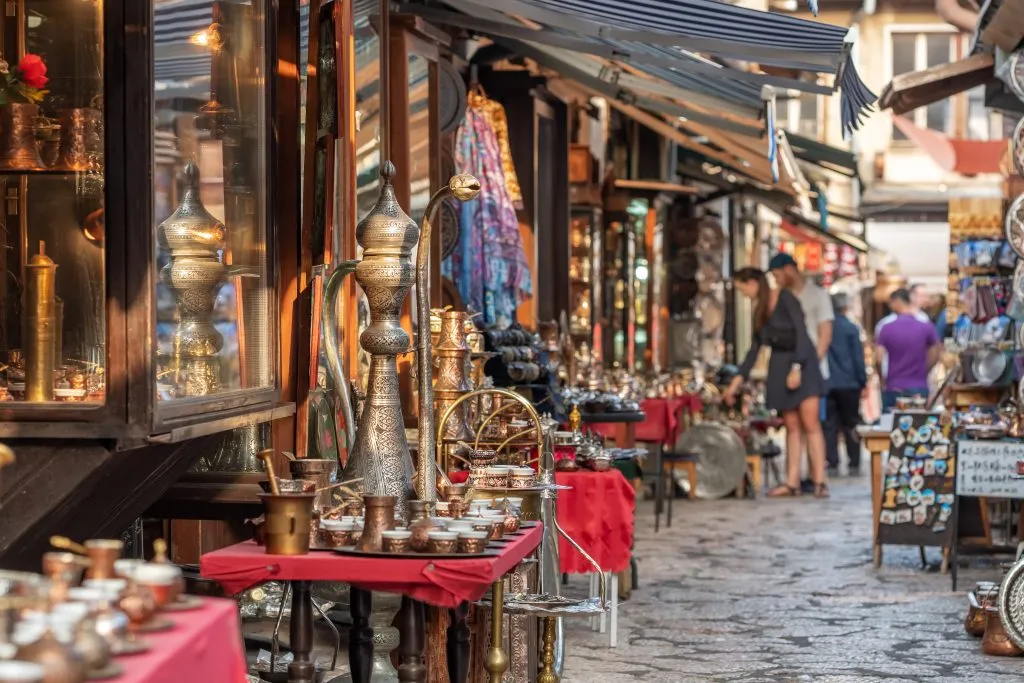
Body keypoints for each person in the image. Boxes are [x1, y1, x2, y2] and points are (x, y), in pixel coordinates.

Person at [724, 267, 829, 498]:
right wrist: (736, 383)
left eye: (744, 289)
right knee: (791, 425)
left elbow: (802, 333)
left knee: (810, 423)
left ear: (753, 282)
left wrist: (797, 367)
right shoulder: (759, 310)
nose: (745, 295)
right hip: (779, 365)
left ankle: (819, 480)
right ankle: (792, 482)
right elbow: (754, 350)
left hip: (802, 361)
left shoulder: (785, 297)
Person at [875, 288, 943, 411]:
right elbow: (936, 352)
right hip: (919, 386)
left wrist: (882, 380)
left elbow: (879, 358)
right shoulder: (926, 327)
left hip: (894, 386)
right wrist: (925, 369)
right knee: (919, 425)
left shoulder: (886, 328)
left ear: (897, 302)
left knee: (891, 425)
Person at [825, 293, 866, 476]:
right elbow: (858, 357)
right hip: (849, 383)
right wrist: (862, 380)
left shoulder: (826, 327)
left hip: (829, 381)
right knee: (851, 423)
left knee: (830, 424)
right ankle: (854, 460)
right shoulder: (851, 328)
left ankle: (832, 460)